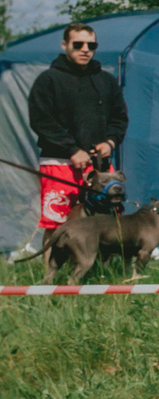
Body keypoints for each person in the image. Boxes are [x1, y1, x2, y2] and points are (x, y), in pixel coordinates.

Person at [27, 21, 127, 242]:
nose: (85, 50)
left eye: (91, 45)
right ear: (65, 44)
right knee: (57, 223)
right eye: (78, 44)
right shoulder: (48, 80)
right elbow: (41, 120)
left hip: (100, 168)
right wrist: (72, 149)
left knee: (105, 222)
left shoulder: (106, 81)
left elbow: (119, 118)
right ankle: (51, 276)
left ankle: (101, 273)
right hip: (59, 163)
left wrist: (110, 142)